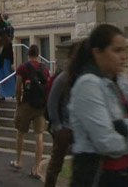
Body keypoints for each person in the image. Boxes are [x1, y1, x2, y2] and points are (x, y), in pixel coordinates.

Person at [68, 24, 128, 187]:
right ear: (97, 52)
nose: (123, 56)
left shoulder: (120, 81)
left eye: (124, 50)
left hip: (121, 172)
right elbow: (105, 142)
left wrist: (124, 127)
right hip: (95, 174)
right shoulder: (88, 85)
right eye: (116, 50)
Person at [44, 42, 81, 187]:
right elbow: (52, 102)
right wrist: (58, 126)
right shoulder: (64, 77)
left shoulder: (83, 77)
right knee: (56, 164)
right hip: (65, 127)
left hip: (78, 128)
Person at [11, 44, 50, 179]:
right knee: (39, 136)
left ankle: (19, 160)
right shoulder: (44, 68)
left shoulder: (23, 67)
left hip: (26, 104)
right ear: (38, 54)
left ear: (28, 54)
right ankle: (36, 168)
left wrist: (18, 102)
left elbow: (18, 88)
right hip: (40, 106)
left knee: (20, 133)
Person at [0, 32, 15, 99]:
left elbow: (11, 54)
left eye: (0, 36)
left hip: (6, 62)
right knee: (0, 79)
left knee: (9, 78)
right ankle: (2, 94)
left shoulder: (8, 44)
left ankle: (12, 92)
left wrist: (12, 63)